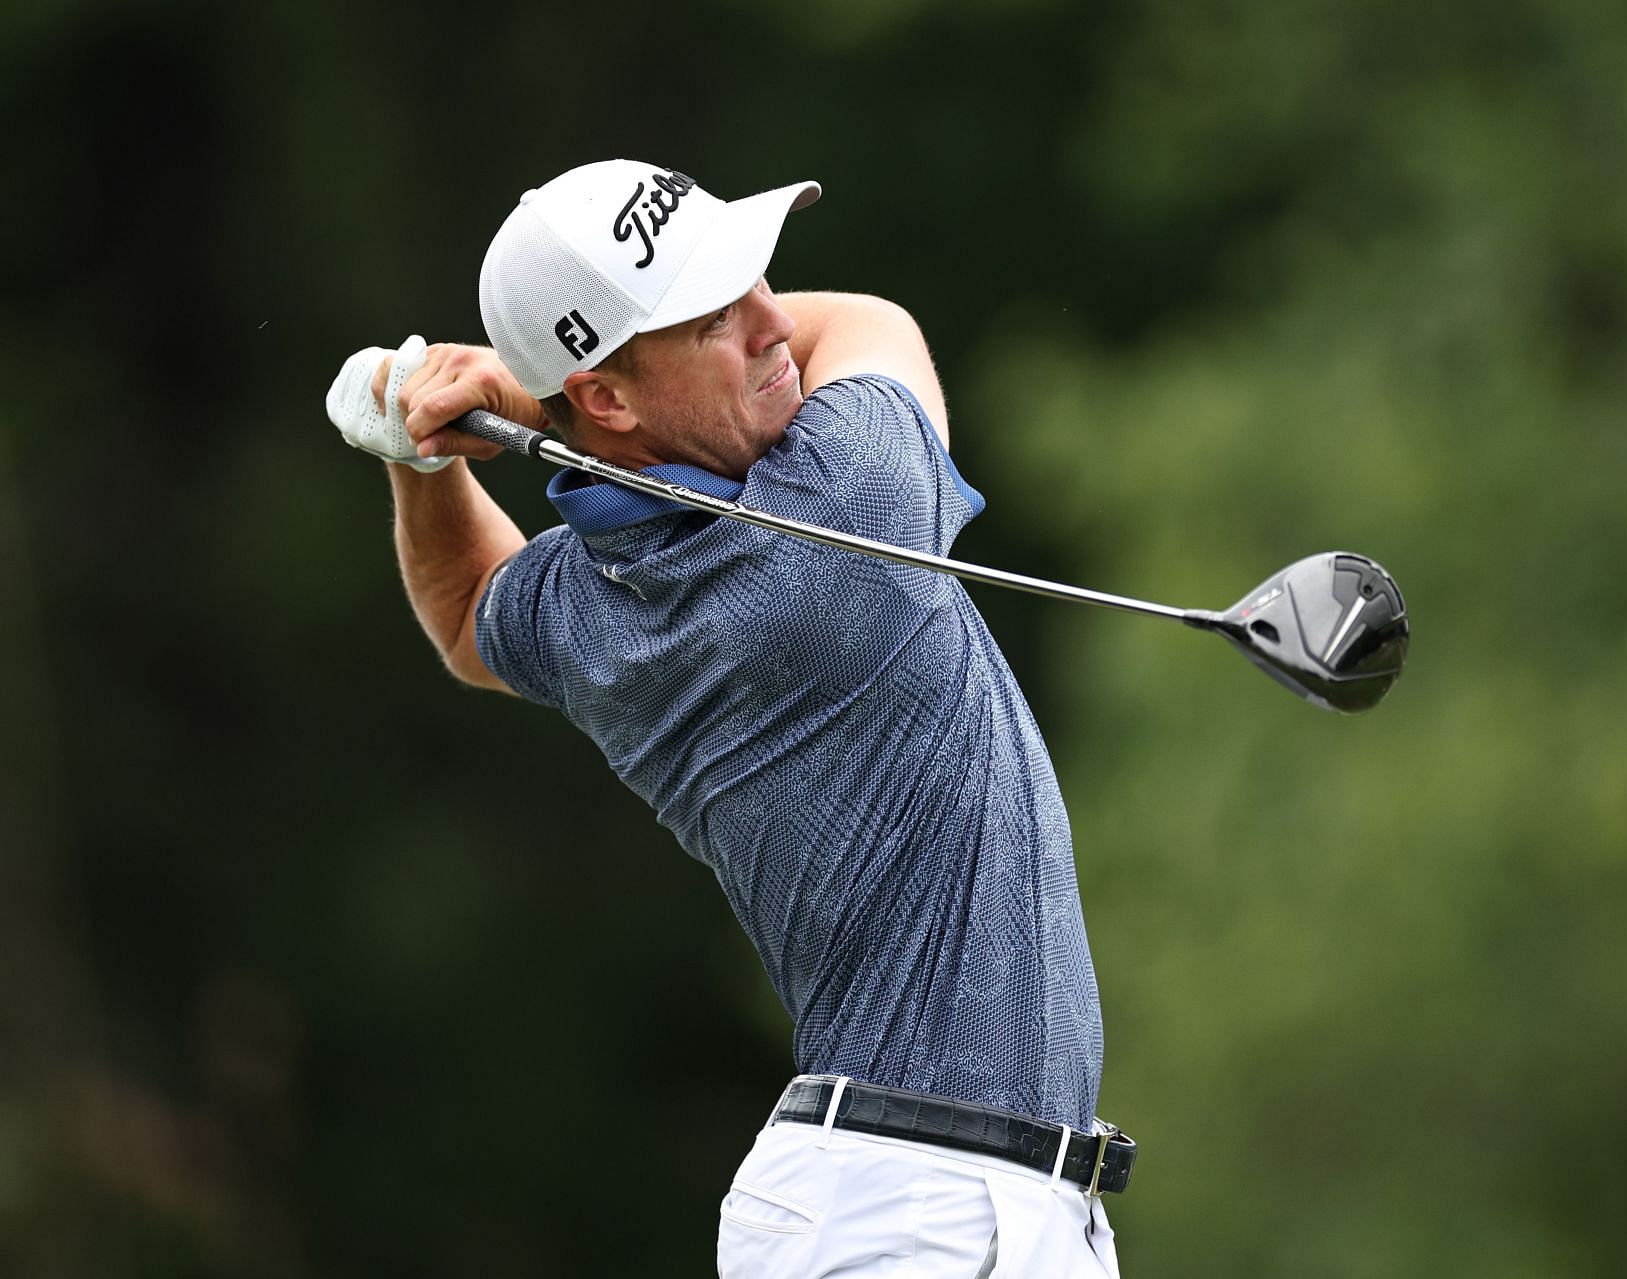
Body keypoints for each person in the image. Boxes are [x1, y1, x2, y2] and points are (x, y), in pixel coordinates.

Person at [325, 159, 1130, 1277]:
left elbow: (468, 615)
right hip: (920, 1213)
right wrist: (518, 386)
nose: (772, 326)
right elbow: (870, 320)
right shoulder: (842, 510)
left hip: (939, 1204)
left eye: (760, 283)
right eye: (716, 318)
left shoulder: (596, 601)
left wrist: (418, 457)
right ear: (605, 399)